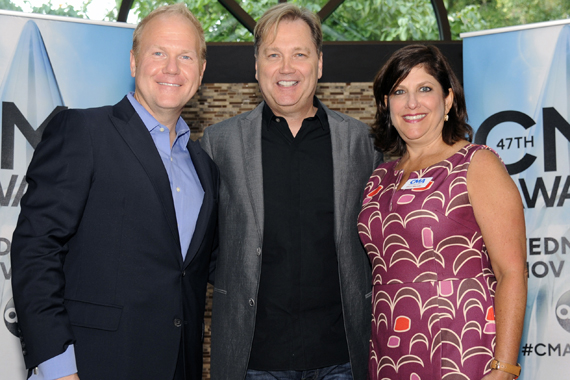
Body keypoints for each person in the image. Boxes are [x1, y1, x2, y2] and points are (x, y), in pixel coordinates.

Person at [10, 4, 218, 380]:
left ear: (200, 72)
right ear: (134, 62)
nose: (172, 68)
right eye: (158, 53)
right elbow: (36, 249)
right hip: (91, 367)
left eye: (185, 56)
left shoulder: (204, 167)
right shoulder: (83, 132)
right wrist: (57, 368)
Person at [200, 3, 381, 380]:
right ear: (256, 66)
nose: (286, 68)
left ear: (318, 64)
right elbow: (202, 245)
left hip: (342, 356)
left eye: (299, 54)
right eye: (273, 55)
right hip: (254, 359)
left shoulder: (361, 143)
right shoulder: (220, 144)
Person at [358, 44, 527, 380]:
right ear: (385, 104)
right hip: (389, 353)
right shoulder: (379, 177)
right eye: (399, 91)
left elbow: (511, 272)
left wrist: (505, 368)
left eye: (425, 89)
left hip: (462, 350)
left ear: (448, 99)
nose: (411, 103)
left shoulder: (477, 164)